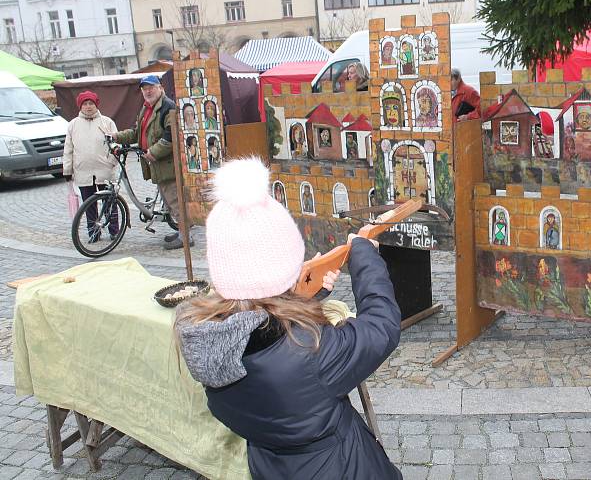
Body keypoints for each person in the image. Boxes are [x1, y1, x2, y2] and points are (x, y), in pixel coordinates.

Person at [175, 158, 402, 480]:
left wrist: (301, 299)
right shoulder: (310, 350)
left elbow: (259, 323)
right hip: (340, 468)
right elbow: (382, 327)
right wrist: (365, 255)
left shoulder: (205, 338)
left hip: (270, 466)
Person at [113, 75, 190, 249]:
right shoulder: (147, 108)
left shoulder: (168, 107)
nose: (147, 91)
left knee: (175, 201)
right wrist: (117, 136)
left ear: (160, 88)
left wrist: (153, 152)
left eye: (151, 87)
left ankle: (186, 237)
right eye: (144, 89)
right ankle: (180, 231)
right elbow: (137, 132)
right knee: (169, 201)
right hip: (157, 164)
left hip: (168, 164)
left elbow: (172, 136)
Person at [63, 90, 119, 243]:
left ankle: (114, 231)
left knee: (109, 203)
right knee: (89, 205)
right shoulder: (73, 125)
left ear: (96, 104)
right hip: (83, 172)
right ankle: (93, 232)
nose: (88, 107)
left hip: (105, 170)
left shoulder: (107, 122)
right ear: (80, 106)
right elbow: (68, 149)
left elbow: (116, 145)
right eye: (85, 104)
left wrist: (114, 163)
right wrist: (67, 170)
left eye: (91, 103)